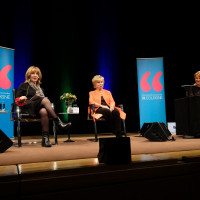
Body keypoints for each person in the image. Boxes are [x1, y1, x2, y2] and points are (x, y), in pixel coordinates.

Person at [15, 66, 71, 147]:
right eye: (32, 73)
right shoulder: (23, 85)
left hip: (37, 109)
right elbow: (17, 98)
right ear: (29, 75)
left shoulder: (41, 88)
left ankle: (45, 140)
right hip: (28, 107)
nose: (35, 75)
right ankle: (58, 122)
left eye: (37, 74)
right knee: (44, 100)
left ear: (39, 76)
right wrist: (21, 98)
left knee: (44, 111)